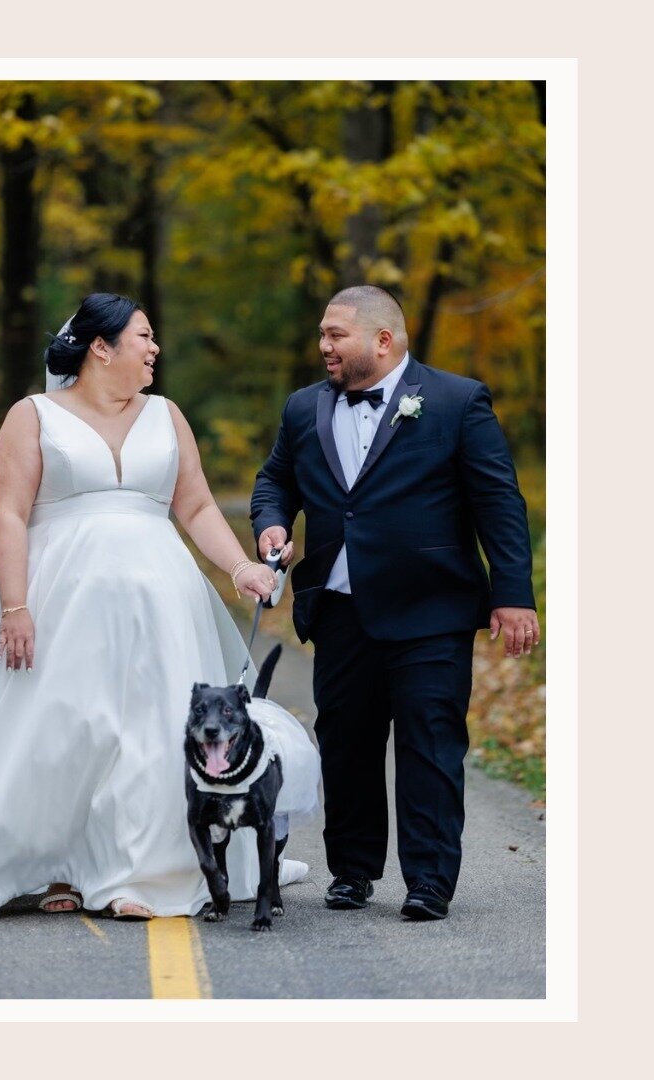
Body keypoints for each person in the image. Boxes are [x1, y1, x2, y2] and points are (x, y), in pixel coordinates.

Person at [0, 293, 321, 920]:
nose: (155, 348)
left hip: (163, 600)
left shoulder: (166, 415)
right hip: (63, 597)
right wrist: (14, 606)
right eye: (144, 337)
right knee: (67, 730)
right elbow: (10, 514)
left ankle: (139, 871)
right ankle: (57, 866)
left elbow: (196, 506)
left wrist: (240, 567)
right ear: (100, 349)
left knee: (151, 733)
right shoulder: (33, 416)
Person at [250, 285, 538, 921]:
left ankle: (430, 879)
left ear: (384, 340)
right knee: (346, 741)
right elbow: (276, 480)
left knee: (430, 741)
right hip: (341, 607)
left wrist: (512, 594)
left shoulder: (456, 401)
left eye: (336, 335)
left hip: (431, 609)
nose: (323, 346)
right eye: (322, 335)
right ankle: (352, 872)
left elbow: (498, 503)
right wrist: (271, 522)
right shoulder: (303, 408)